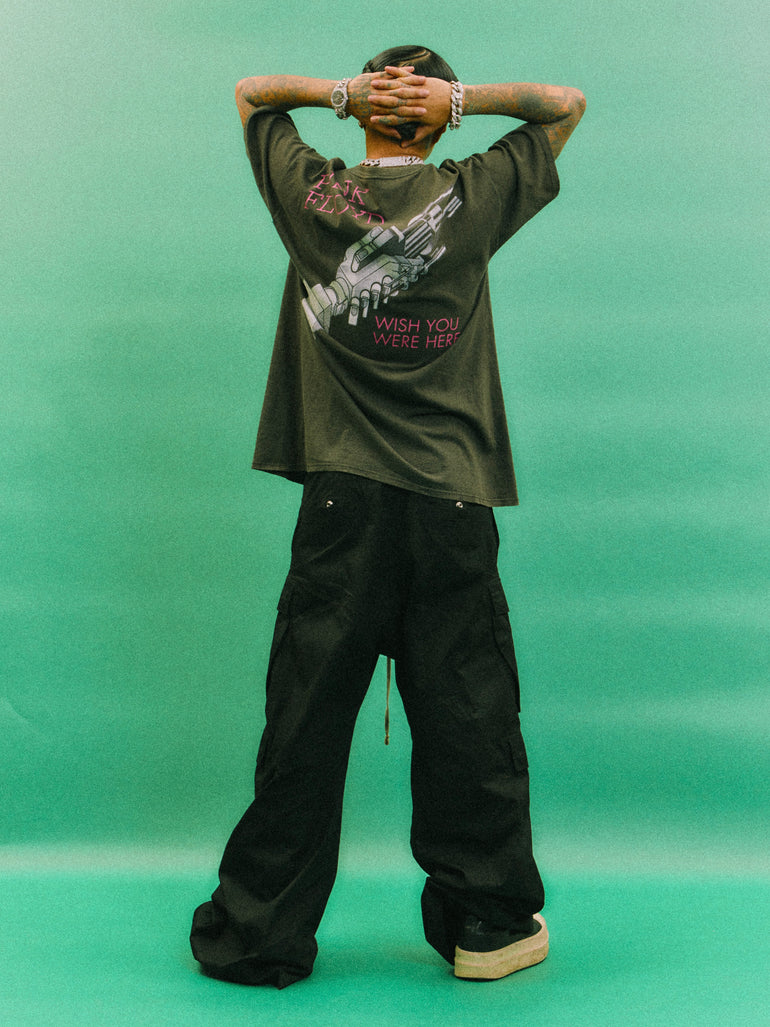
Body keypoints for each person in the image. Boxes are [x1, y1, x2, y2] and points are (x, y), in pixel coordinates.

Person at [190, 44, 585, 990]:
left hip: (344, 504)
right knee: (470, 715)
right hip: (452, 501)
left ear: (366, 110)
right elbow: (565, 103)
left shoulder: (317, 196)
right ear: (438, 116)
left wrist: (335, 93)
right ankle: (487, 924)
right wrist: (462, 100)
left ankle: (258, 935)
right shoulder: (474, 194)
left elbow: (250, 94)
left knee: (306, 721)